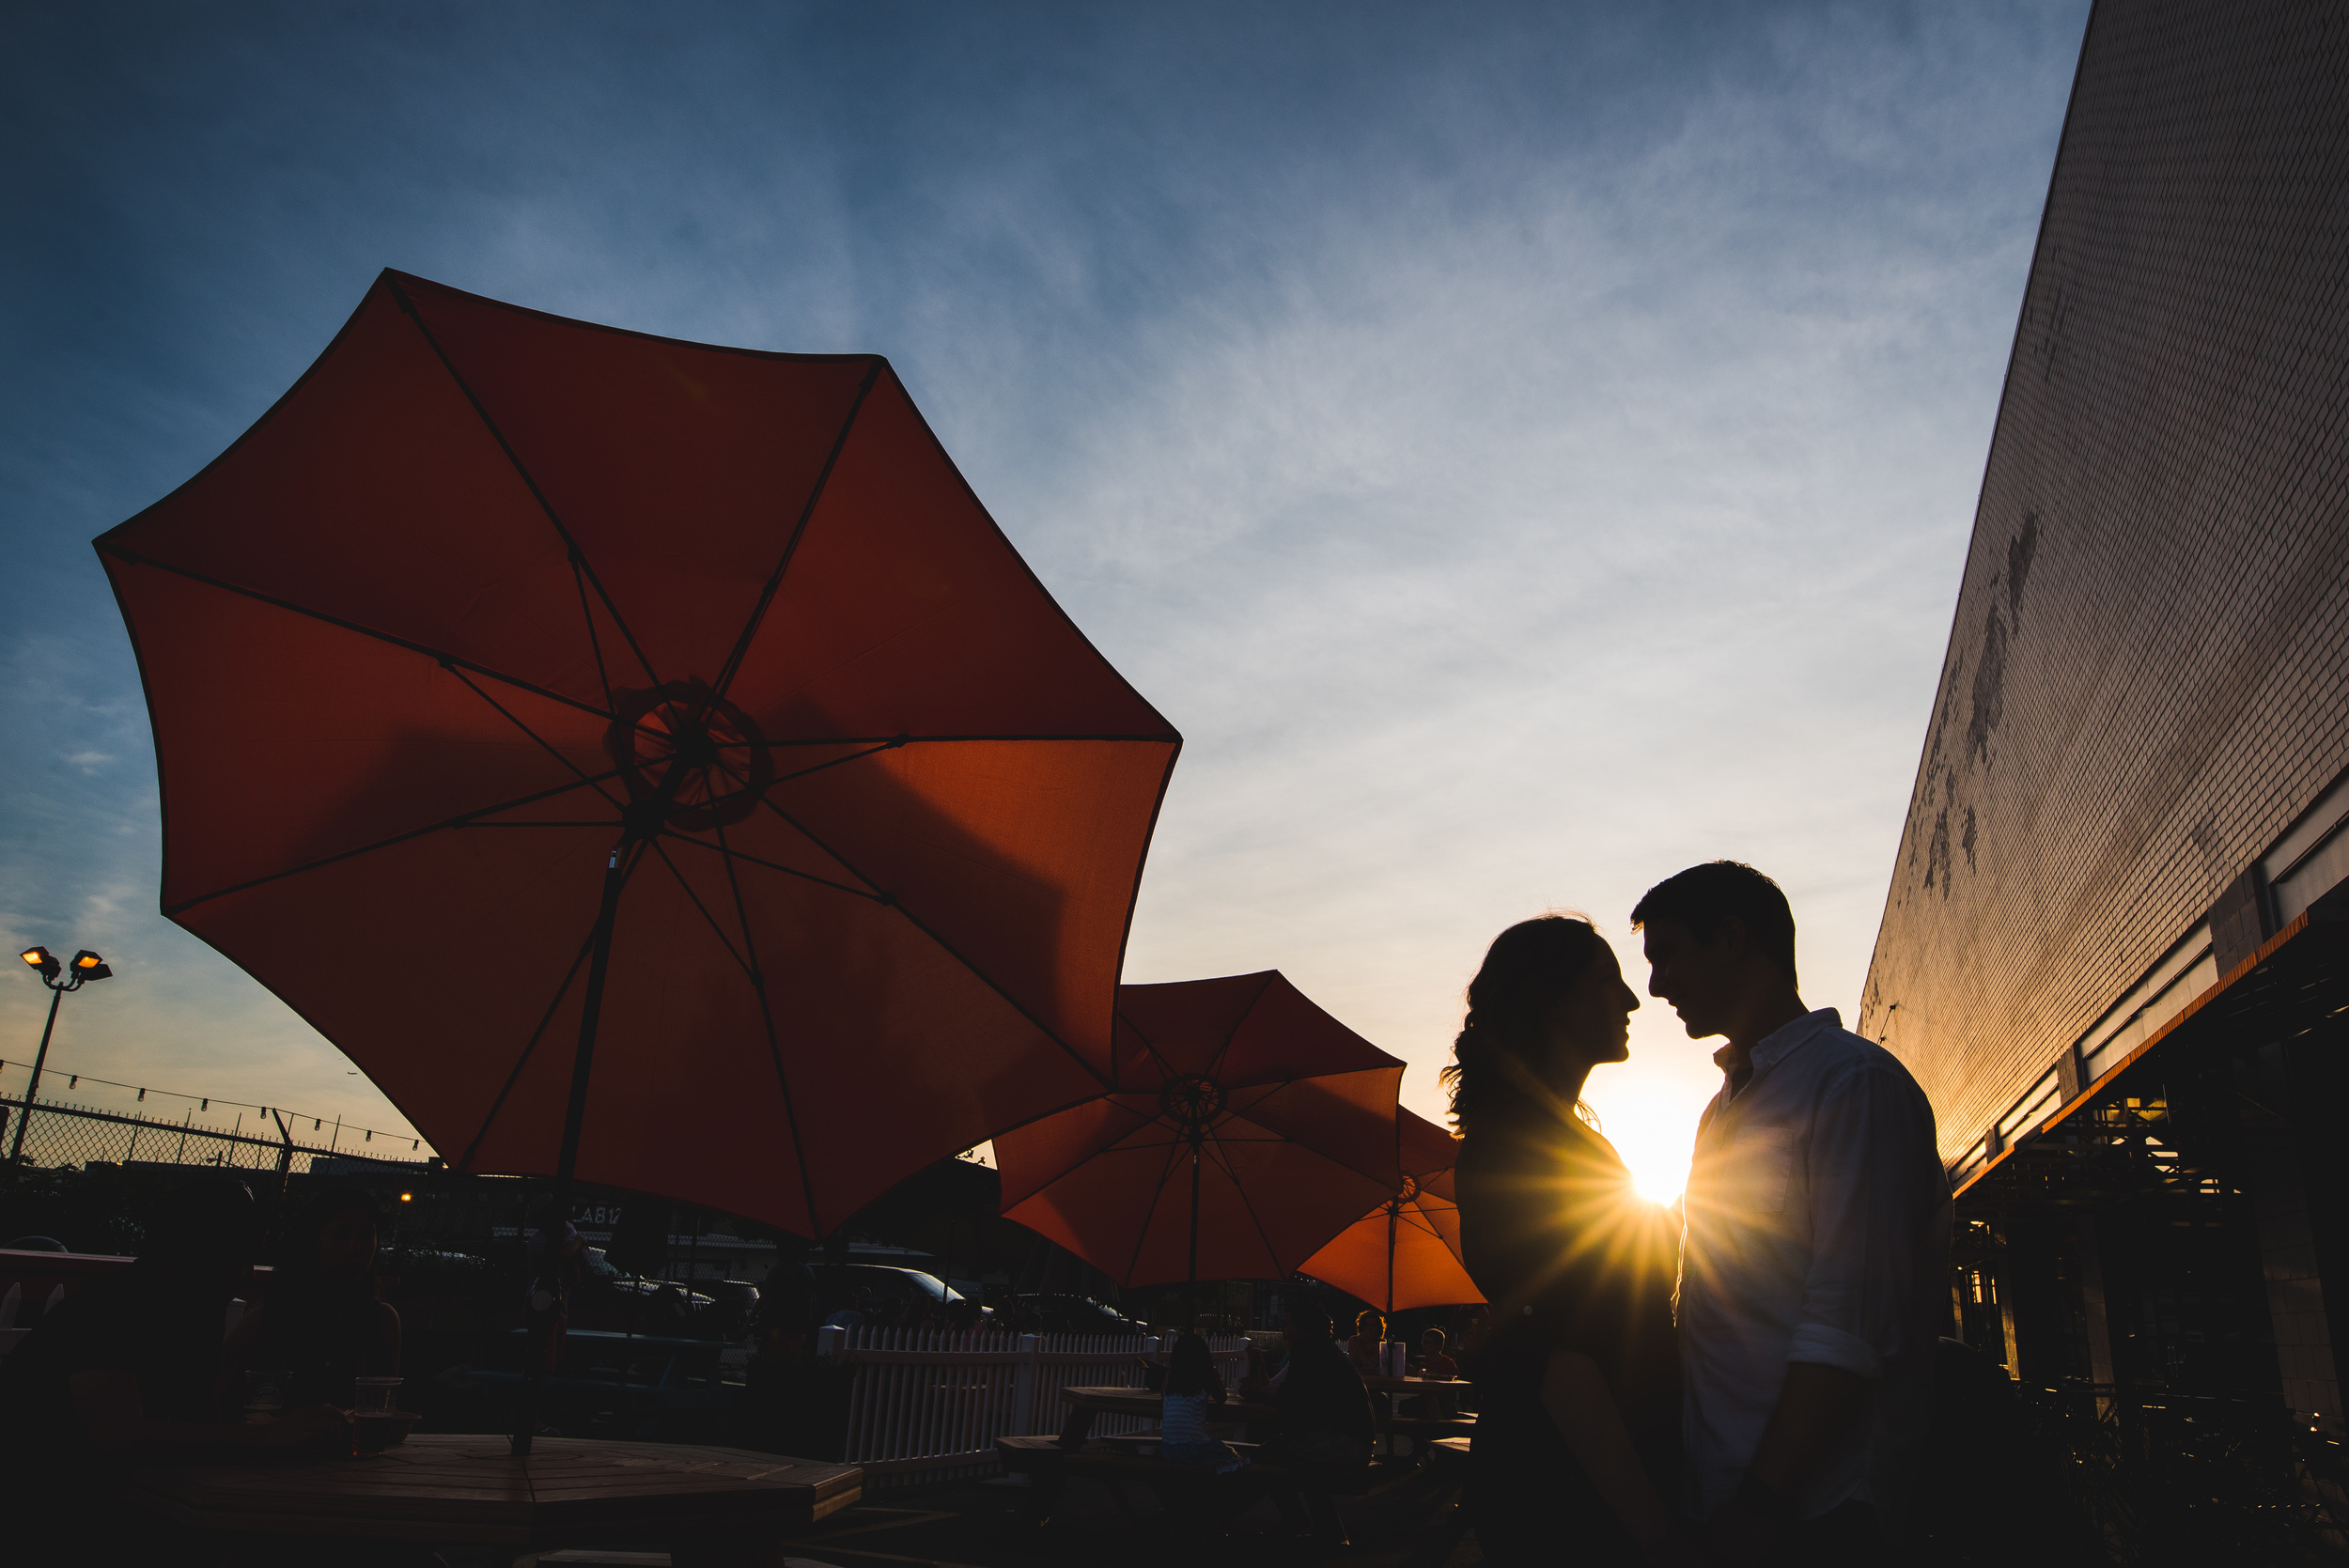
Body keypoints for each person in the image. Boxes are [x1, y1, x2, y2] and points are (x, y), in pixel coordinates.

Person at [1634, 862, 1950, 1567]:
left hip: (1817, 1515)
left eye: (1668, 955)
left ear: (1733, 937)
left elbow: (1848, 1324)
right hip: (1726, 1501)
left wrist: (1763, 1504)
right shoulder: (1721, 1111)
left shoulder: (1851, 1084)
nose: (1656, 985)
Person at [1448, 914, 1693, 1567]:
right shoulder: (1523, 1148)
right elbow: (1562, 1359)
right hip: (1572, 1502)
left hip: (1585, 1486)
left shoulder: (1566, 1142)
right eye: (1608, 981)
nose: (1633, 998)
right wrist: (1653, 1530)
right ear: (1551, 1000)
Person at [0, 1181, 353, 1551]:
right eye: (240, 1255)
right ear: (196, 1248)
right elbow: (118, 1436)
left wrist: (290, 1435)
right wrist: (266, 1436)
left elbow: (199, 1424)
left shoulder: (196, 1311)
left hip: (124, 1505)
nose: (248, 1273)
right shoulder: (114, 1307)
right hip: (43, 1513)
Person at [226, 1180, 401, 1410]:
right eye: (340, 1235)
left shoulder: (382, 1322)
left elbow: (386, 1406)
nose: (355, 1248)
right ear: (311, 1241)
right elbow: (219, 1398)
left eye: (366, 1236)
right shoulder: (267, 1320)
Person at [1159, 1331, 1244, 1472]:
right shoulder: (1205, 1377)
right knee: (1233, 1457)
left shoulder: (1171, 1380)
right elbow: (1222, 1397)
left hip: (1168, 1448)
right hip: (1192, 1447)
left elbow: (1162, 1394)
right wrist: (1213, 1370)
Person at [1346, 1308, 1387, 1378]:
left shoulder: (1381, 1343)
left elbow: (1385, 1367)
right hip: (1357, 1379)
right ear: (1362, 1326)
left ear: (1378, 1327)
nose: (1369, 1328)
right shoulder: (1354, 1340)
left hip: (1377, 1380)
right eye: (1366, 1325)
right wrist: (1360, 1342)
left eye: (1373, 1326)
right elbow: (1352, 1365)